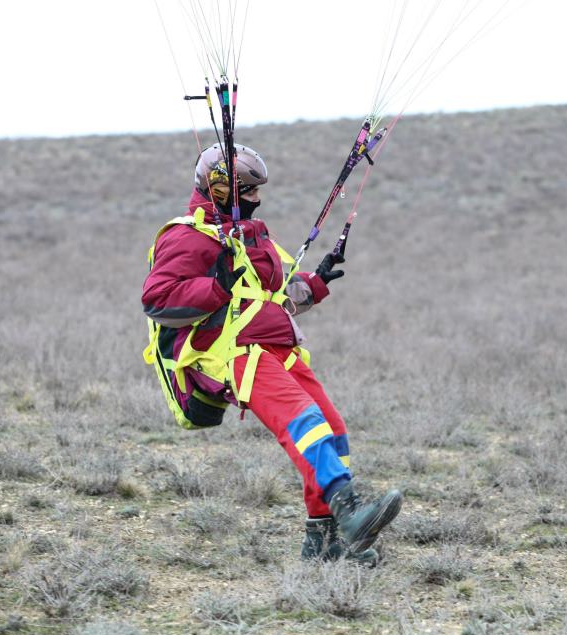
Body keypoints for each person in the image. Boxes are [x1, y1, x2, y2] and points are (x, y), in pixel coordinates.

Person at [141, 143, 401, 565]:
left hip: (278, 347)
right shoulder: (187, 236)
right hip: (236, 353)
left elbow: (271, 294)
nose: (258, 199)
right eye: (249, 192)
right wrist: (216, 286)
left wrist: (314, 283)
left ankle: (325, 543)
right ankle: (348, 510)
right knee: (305, 422)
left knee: (333, 429)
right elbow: (157, 299)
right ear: (222, 191)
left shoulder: (250, 235)